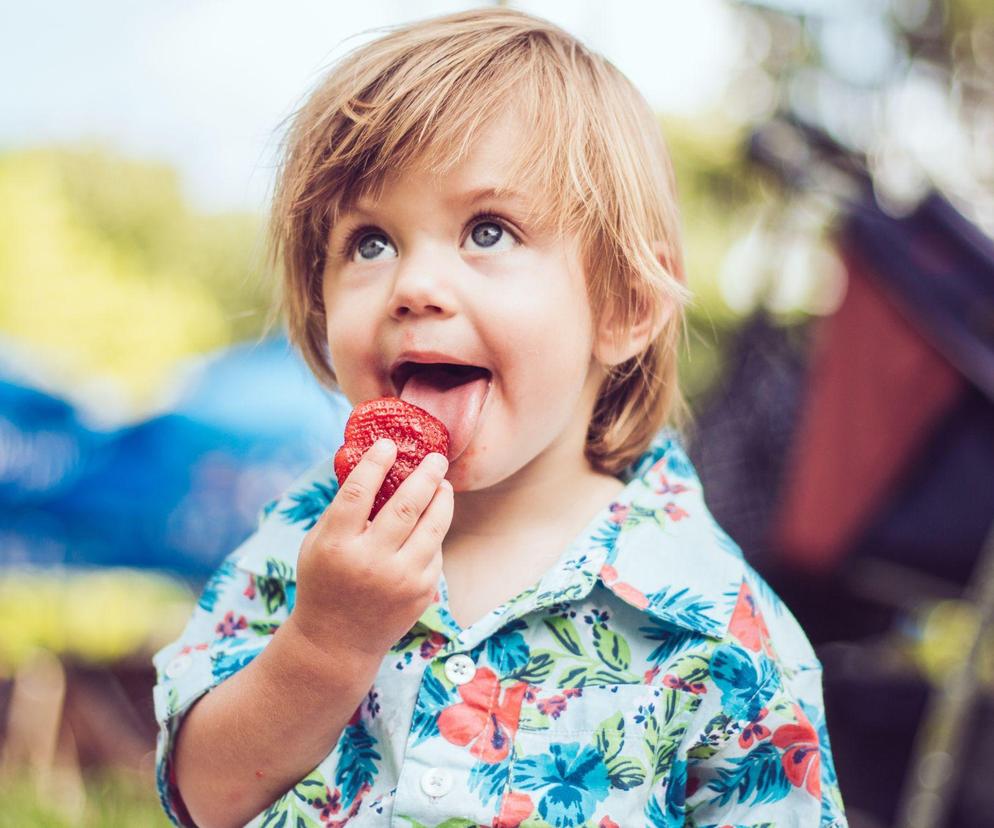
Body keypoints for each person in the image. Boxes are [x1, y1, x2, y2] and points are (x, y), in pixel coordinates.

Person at [151, 8, 847, 827]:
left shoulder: (723, 630)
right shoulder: (303, 542)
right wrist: (323, 645)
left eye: (489, 230)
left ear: (625, 304)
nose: (414, 285)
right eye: (370, 243)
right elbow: (202, 794)